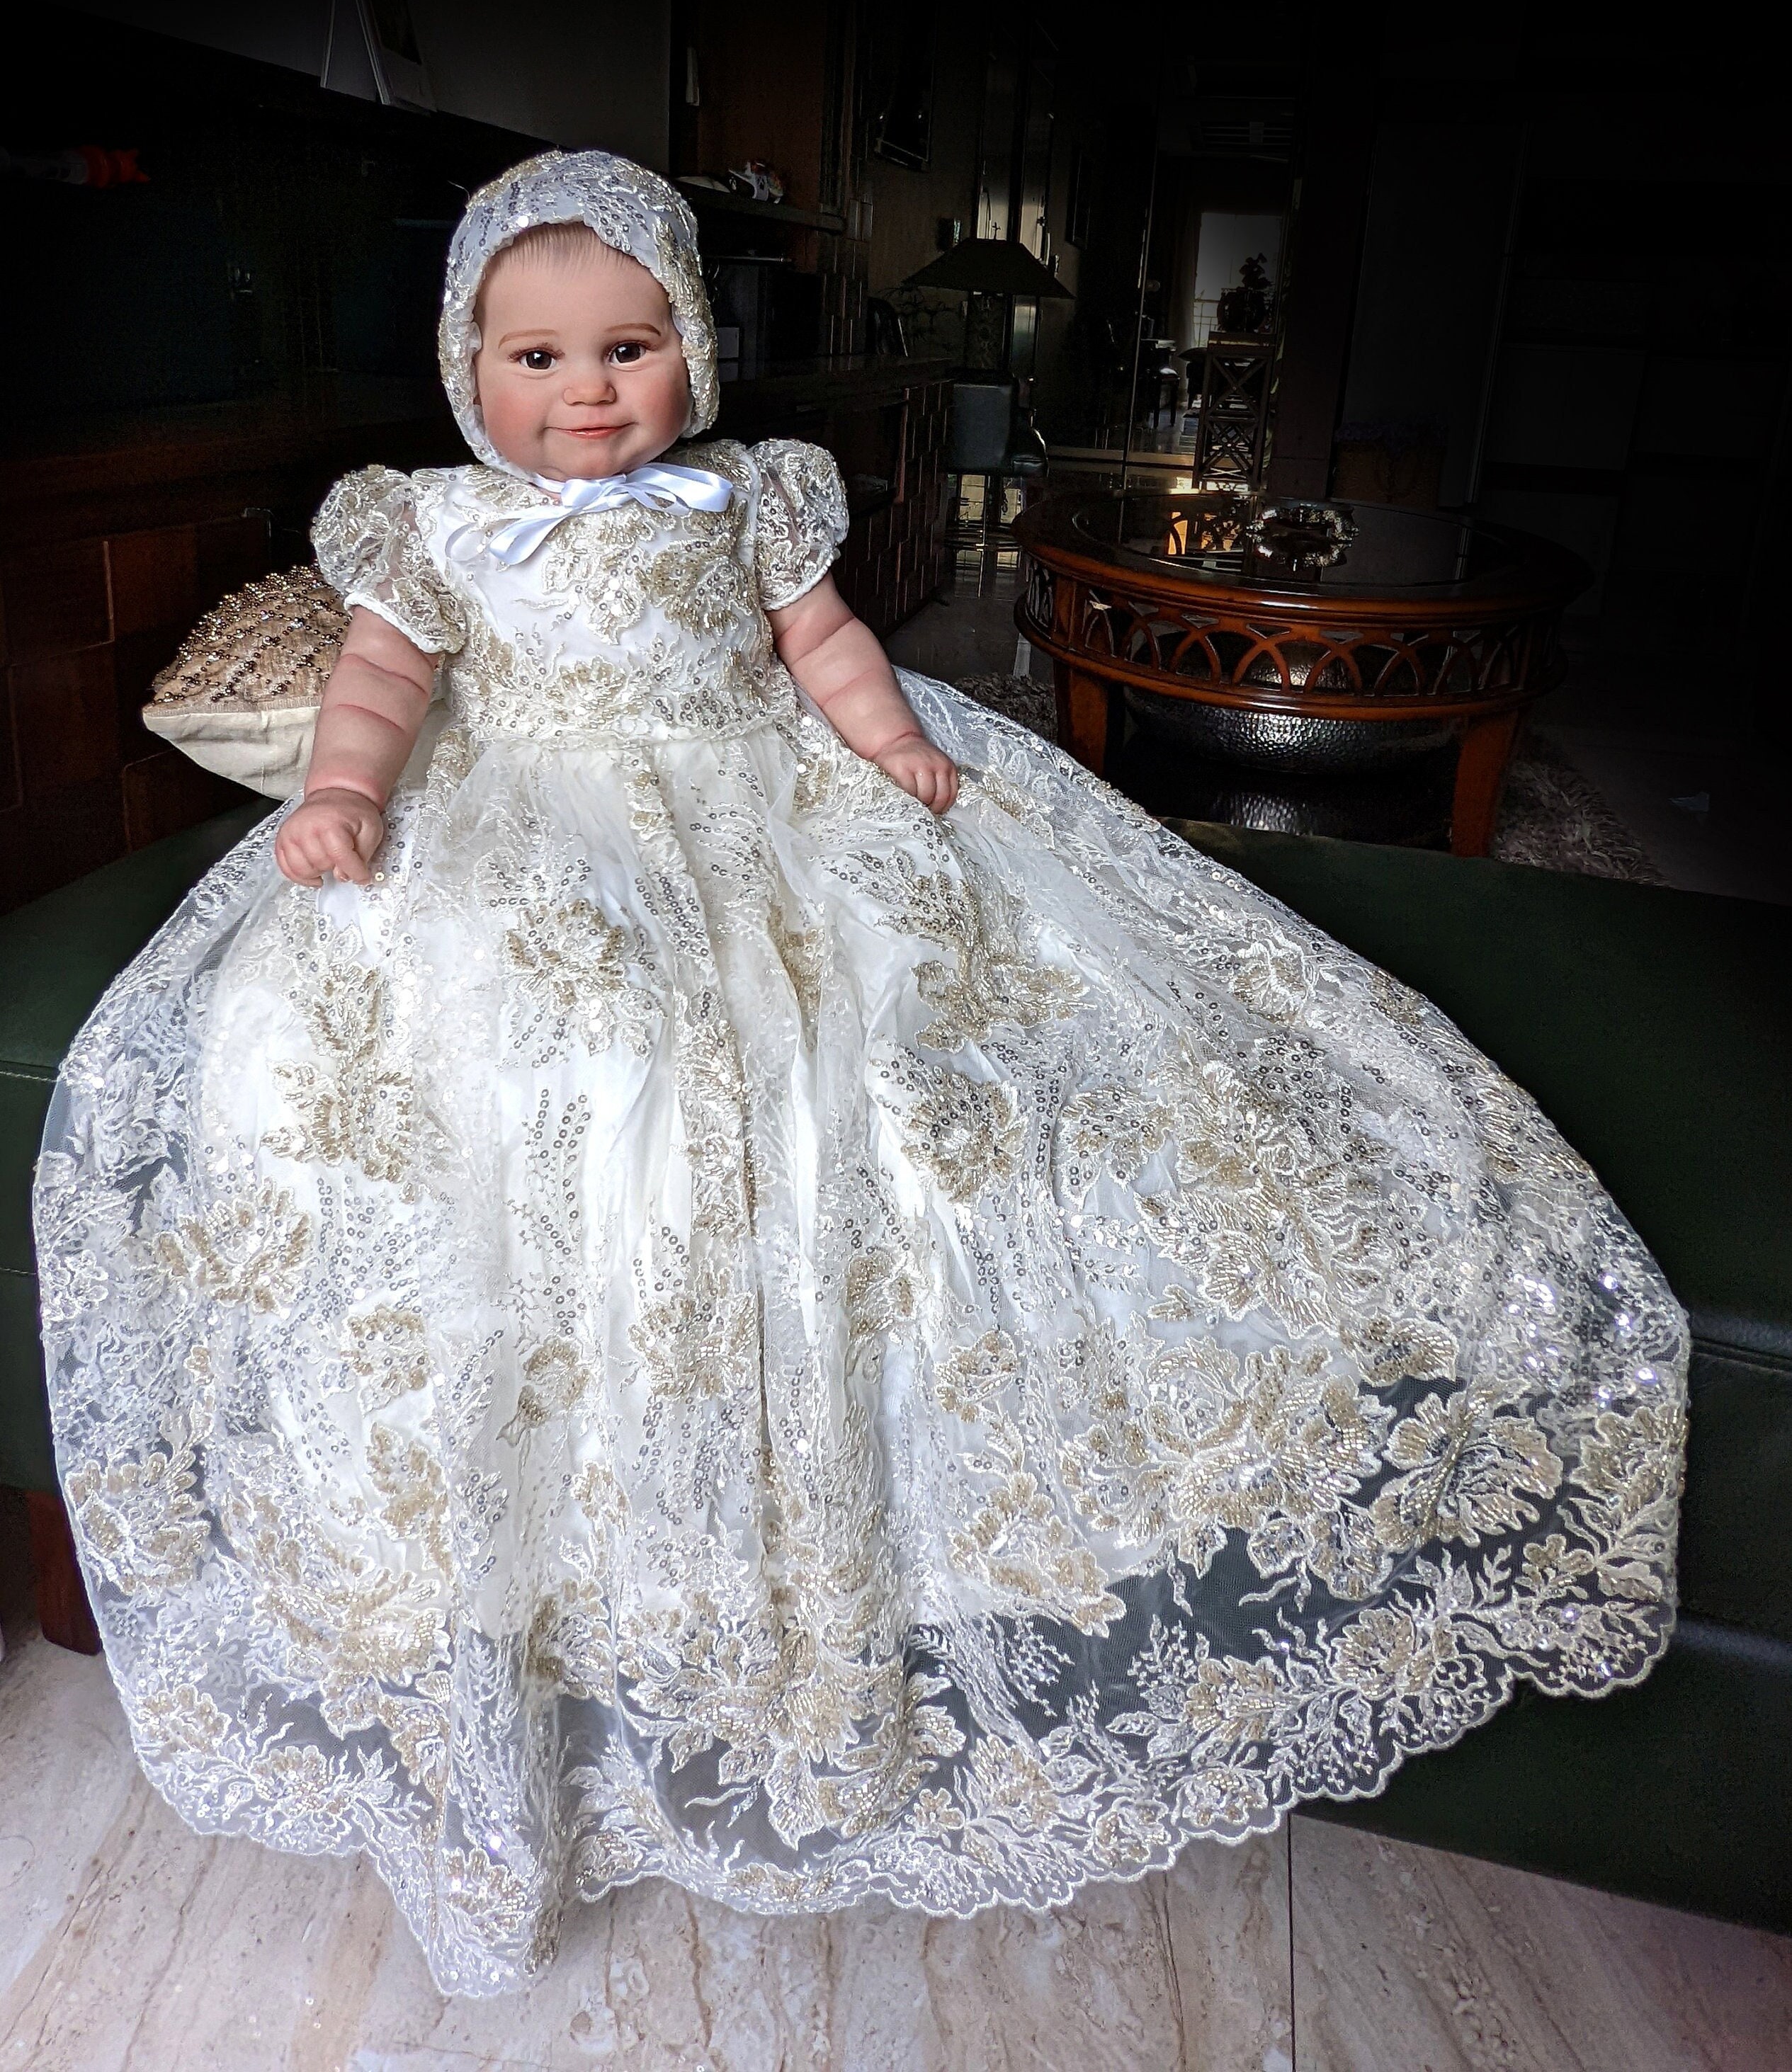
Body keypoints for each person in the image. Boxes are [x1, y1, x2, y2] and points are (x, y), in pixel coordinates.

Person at [35, 152, 1688, 1998]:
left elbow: (821, 646)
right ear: (464, 371)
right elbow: (379, 682)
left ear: (694, 351)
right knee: (466, 1041)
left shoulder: (744, 499)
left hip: (755, 804)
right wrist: (344, 791)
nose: (586, 391)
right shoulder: (429, 527)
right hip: (524, 824)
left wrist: (889, 747)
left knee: (929, 1024)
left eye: (629, 346)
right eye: (536, 358)